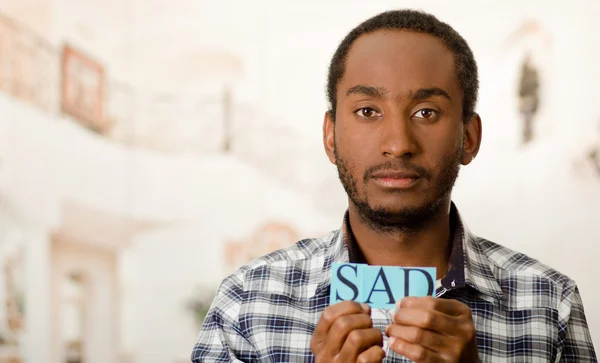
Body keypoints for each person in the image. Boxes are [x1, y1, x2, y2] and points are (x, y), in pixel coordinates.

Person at [191, 9, 597, 362]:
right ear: (330, 136)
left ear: (468, 138)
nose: (398, 144)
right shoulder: (247, 301)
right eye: (368, 111)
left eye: (426, 111)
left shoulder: (550, 304)